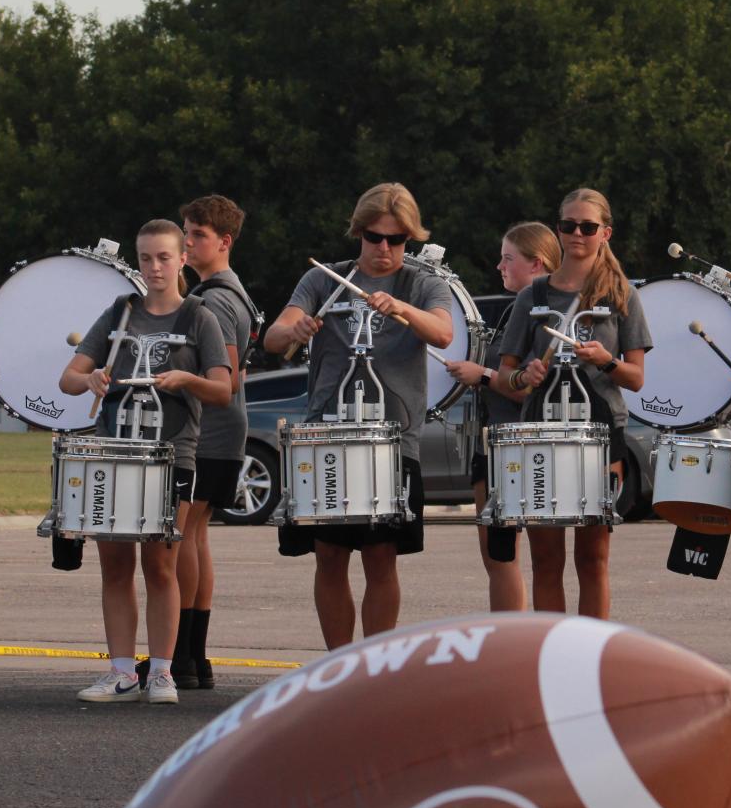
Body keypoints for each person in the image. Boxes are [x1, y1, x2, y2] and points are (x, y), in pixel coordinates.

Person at [263, 184, 455, 648]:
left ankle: (375, 665)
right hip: (328, 434)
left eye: (396, 240)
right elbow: (273, 338)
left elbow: (445, 333)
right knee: (328, 556)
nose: (384, 249)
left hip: (393, 438)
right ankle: (339, 663)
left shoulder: (423, 282)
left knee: (381, 557)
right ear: (358, 233)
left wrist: (403, 308)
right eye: (374, 237)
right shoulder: (325, 280)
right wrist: (298, 327)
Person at [62, 220, 233, 705]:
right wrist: (91, 377)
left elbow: (223, 389)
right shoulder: (120, 312)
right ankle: (120, 672)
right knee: (115, 565)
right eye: (145, 258)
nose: (154, 268)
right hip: (116, 453)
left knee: (161, 566)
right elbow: (68, 380)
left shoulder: (199, 316)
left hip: (171, 453)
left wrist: (188, 380)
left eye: (163, 257)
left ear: (182, 259)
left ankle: (161, 672)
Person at [497, 190, 652, 620]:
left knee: (593, 559)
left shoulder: (622, 294)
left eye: (587, 227)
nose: (577, 234)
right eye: (568, 226)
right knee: (546, 560)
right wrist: (524, 377)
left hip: (601, 435)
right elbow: (505, 375)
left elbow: (637, 378)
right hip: (541, 434)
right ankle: (553, 656)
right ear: (558, 229)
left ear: (605, 232)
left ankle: (590, 658)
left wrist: (605, 361)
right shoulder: (534, 295)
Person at [443, 222, 560, 611]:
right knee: (497, 556)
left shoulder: (542, 310)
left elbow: (526, 383)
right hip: (496, 441)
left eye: (508, 258)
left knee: (504, 558)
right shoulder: (519, 306)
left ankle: (515, 649)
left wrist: (483, 375)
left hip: (519, 443)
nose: (499, 266)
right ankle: (510, 645)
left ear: (537, 263)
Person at [172, 194, 260, 689]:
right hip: (226, 430)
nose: (187, 241)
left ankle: (182, 654)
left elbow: (225, 374)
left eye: (198, 234)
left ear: (224, 242)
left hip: (210, 429)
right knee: (198, 536)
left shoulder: (214, 299)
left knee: (186, 534)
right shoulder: (231, 291)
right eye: (186, 231)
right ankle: (195, 657)